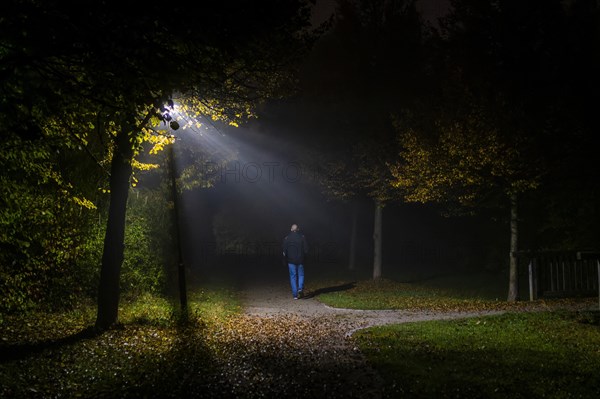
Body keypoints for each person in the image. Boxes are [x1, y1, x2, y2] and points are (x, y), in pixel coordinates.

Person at [282, 223, 308, 299]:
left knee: (293, 276)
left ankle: (295, 295)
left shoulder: (287, 238)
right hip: (300, 260)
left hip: (291, 261)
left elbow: (284, 251)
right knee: (301, 275)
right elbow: (306, 249)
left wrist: (284, 259)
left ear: (291, 229)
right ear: (298, 230)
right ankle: (300, 288)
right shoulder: (302, 237)